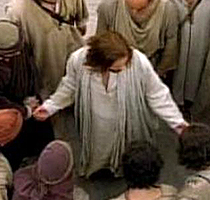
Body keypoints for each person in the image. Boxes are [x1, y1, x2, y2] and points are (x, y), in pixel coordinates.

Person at [33, 31, 187, 178]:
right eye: (116, 70)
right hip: (96, 122)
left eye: (125, 66)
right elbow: (69, 87)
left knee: (126, 150)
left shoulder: (139, 62)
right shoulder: (78, 60)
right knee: (98, 149)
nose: (124, 69)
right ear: (100, 65)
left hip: (127, 120)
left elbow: (158, 94)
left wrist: (178, 123)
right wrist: (50, 107)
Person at [0, 19, 54, 169]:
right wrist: (24, 111)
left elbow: (30, 69)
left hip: (29, 101)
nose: (17, 54)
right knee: (14, 145)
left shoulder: (18, 46)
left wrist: (32, 96)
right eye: (8, 55)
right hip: (8, 113)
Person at [6, 0, 89, 99]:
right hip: (47, 60)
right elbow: (21, 51)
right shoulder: (18, 9)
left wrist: (80, 26)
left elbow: (81, 18)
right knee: (54, 93)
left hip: (74, 47)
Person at [96, 0, 180, 81]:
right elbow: (100, 42)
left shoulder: (167, 10)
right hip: (117, 68)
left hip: (152, 66)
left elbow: (171, 46)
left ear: (152, 0)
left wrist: (158, 74)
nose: (134, 13)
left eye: (141, 9)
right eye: (130, 8)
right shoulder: (109, 7)